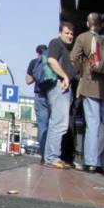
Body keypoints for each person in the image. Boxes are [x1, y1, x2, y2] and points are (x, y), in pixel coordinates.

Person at [69, 12, 104, 174]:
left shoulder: (83, 38)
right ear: (101, 23)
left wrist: (82, 71)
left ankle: (92, 163)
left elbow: (73, 58)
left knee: (92, 125)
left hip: (90, 85)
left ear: (88, 24)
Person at [42, 21, 76, 170]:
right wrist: (65, 77)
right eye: (67, 33)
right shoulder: (56, 43)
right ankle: (52, 157)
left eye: (71, 33)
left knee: (55, 123)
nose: (70, 36)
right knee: (60, 124)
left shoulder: (64, 48)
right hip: (60, 86)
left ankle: (50, 157)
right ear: (60, 33)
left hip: (60, 86)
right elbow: (51, 60)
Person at [24, 44, 50, 162]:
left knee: (42, 125)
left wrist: (37, 76)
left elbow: (28, 81)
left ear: (37, 52)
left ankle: (44, 155)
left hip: (39, 95)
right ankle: (53, 155)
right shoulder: (51, 61)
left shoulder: (34, 62)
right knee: (54, 126)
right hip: (52, 96)